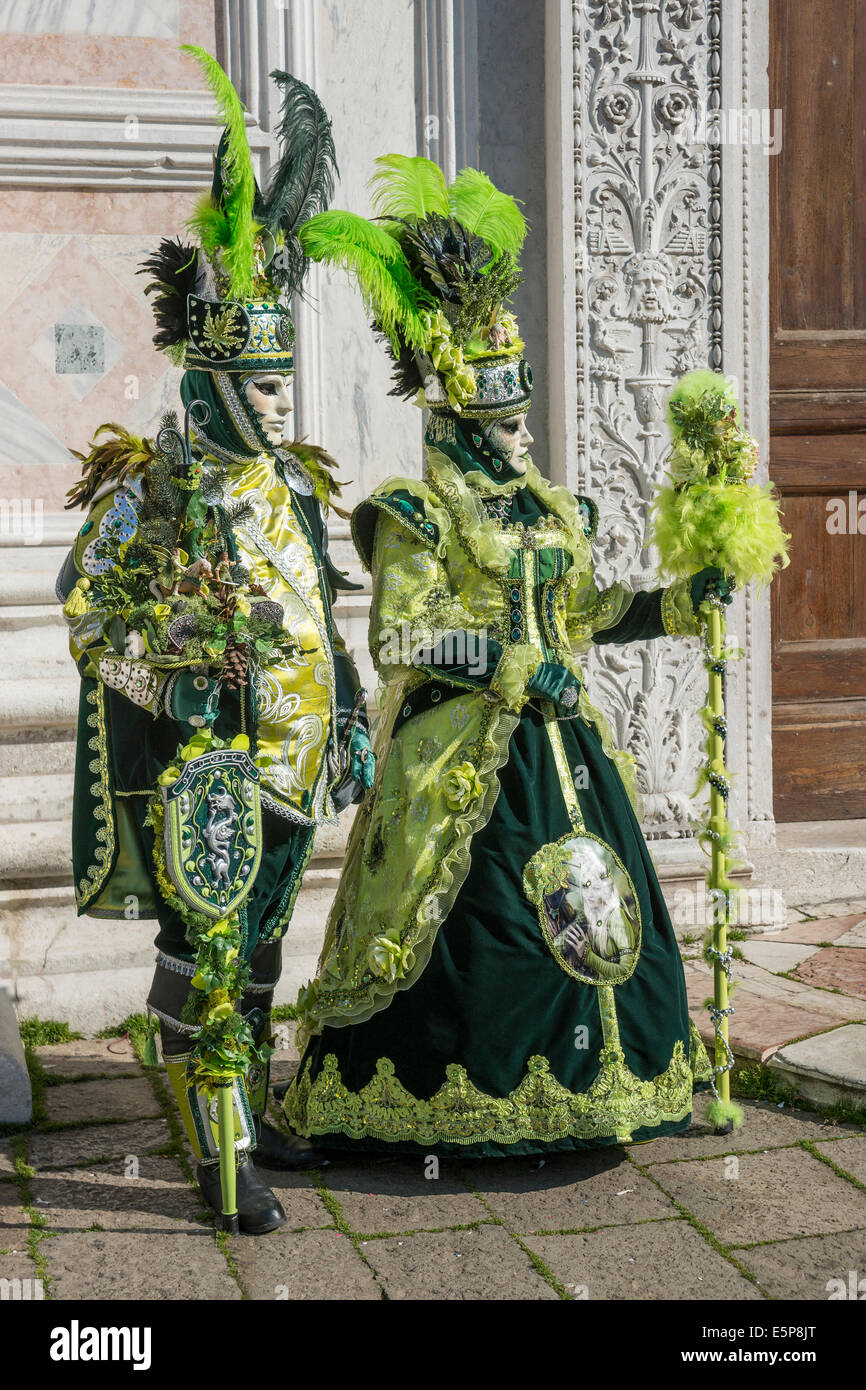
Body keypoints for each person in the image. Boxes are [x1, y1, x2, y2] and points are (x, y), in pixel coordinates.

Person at [278, 154, 727, 1158]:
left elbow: (583, 612)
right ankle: (448, 1111)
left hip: (558, 751)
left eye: (520, 419)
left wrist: (675, 604)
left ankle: (595, 1093)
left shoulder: (546, 508)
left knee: (598, 910)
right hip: (459, 757)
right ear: (455, 420)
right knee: (485, 934)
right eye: (502, 423)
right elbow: (400, 634)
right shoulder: (414, 511)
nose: (522, 437)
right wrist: (516, 667)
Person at [57, 48, 373, 1231]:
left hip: (292, 769)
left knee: (263, 949)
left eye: (288, 383)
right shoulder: (156, 486)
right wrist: (178, 685)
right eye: (263, 385)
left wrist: (342, 707)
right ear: (214, 376)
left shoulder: (291, 484)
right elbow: (91, 616)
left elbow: (316, 602)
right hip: (209, 783)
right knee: (203, 944)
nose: (284, 403)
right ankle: (215, 1133)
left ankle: (244, 1097)